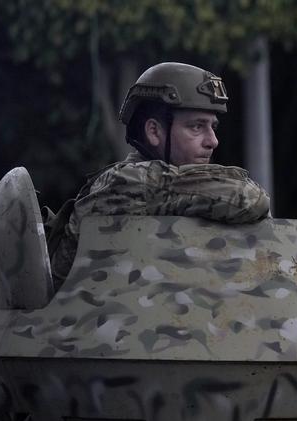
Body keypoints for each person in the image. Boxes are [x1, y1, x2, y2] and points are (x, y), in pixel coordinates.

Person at [47, 62, 270, 287]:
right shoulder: (129, 182)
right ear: (154, 131)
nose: (213, 140)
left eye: (213, 127)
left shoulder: (166, 193)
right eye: (197, 127)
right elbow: (249, 199)